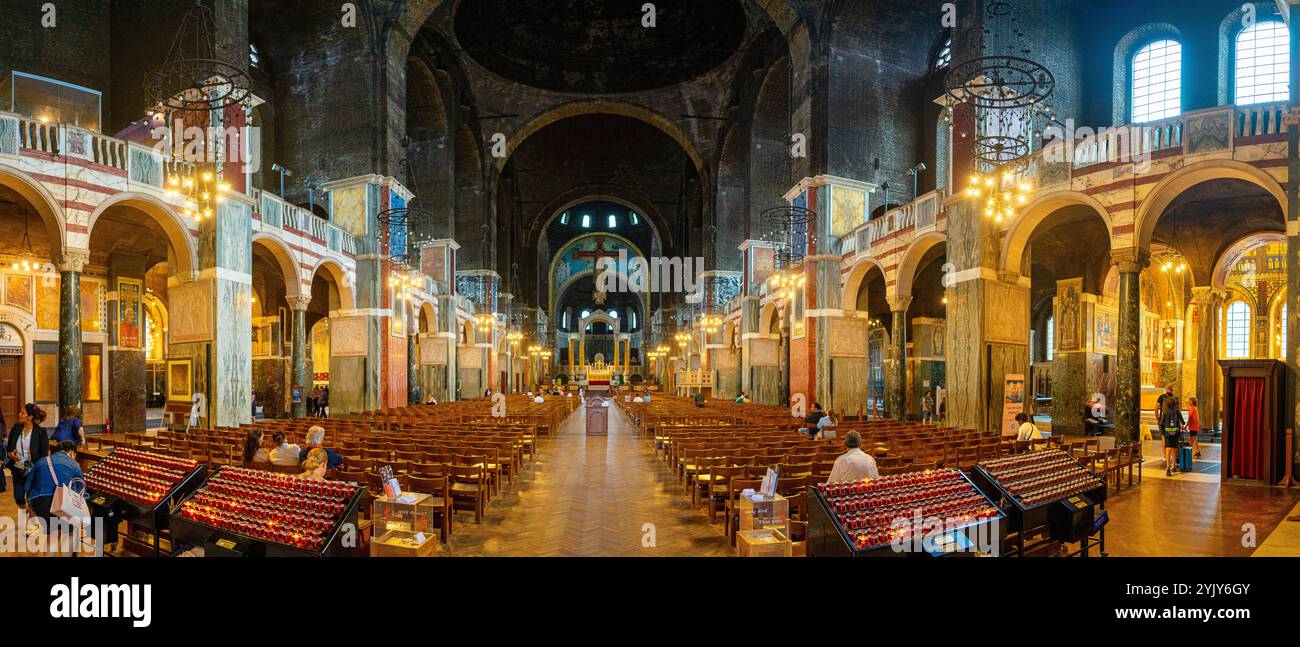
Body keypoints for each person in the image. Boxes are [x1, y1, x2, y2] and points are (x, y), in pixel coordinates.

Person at [25, 441, 83, 553]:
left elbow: (28, 485)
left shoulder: (41, 461)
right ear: (72, 452)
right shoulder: (73, 463)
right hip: (64, 503)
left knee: (52, 533)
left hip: (40, 502)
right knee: (69, 533)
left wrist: (30, 506)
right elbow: (80, 488)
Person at [6, 403, 49, 504]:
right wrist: (10, 454)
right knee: (19, 498)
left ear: (30, 417)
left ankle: (28, 518)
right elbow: (9, 449)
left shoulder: (41, 432)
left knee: (31, 500)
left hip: (33, 469)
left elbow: (44, 456)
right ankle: (23, 517)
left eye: (23, 413)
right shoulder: (16, 428)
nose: (19, 414)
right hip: (18, 467)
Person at [1159, 396, 1184, 476]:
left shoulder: (1165, 411)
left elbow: (1161, 422)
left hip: (1167, 433)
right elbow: (1183, 422)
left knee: (1168, 449)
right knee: (1174, 449)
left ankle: (1168, 468)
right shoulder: (1177, 411)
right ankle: (1173, 466)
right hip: (1176, 433)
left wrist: (1163, 431)